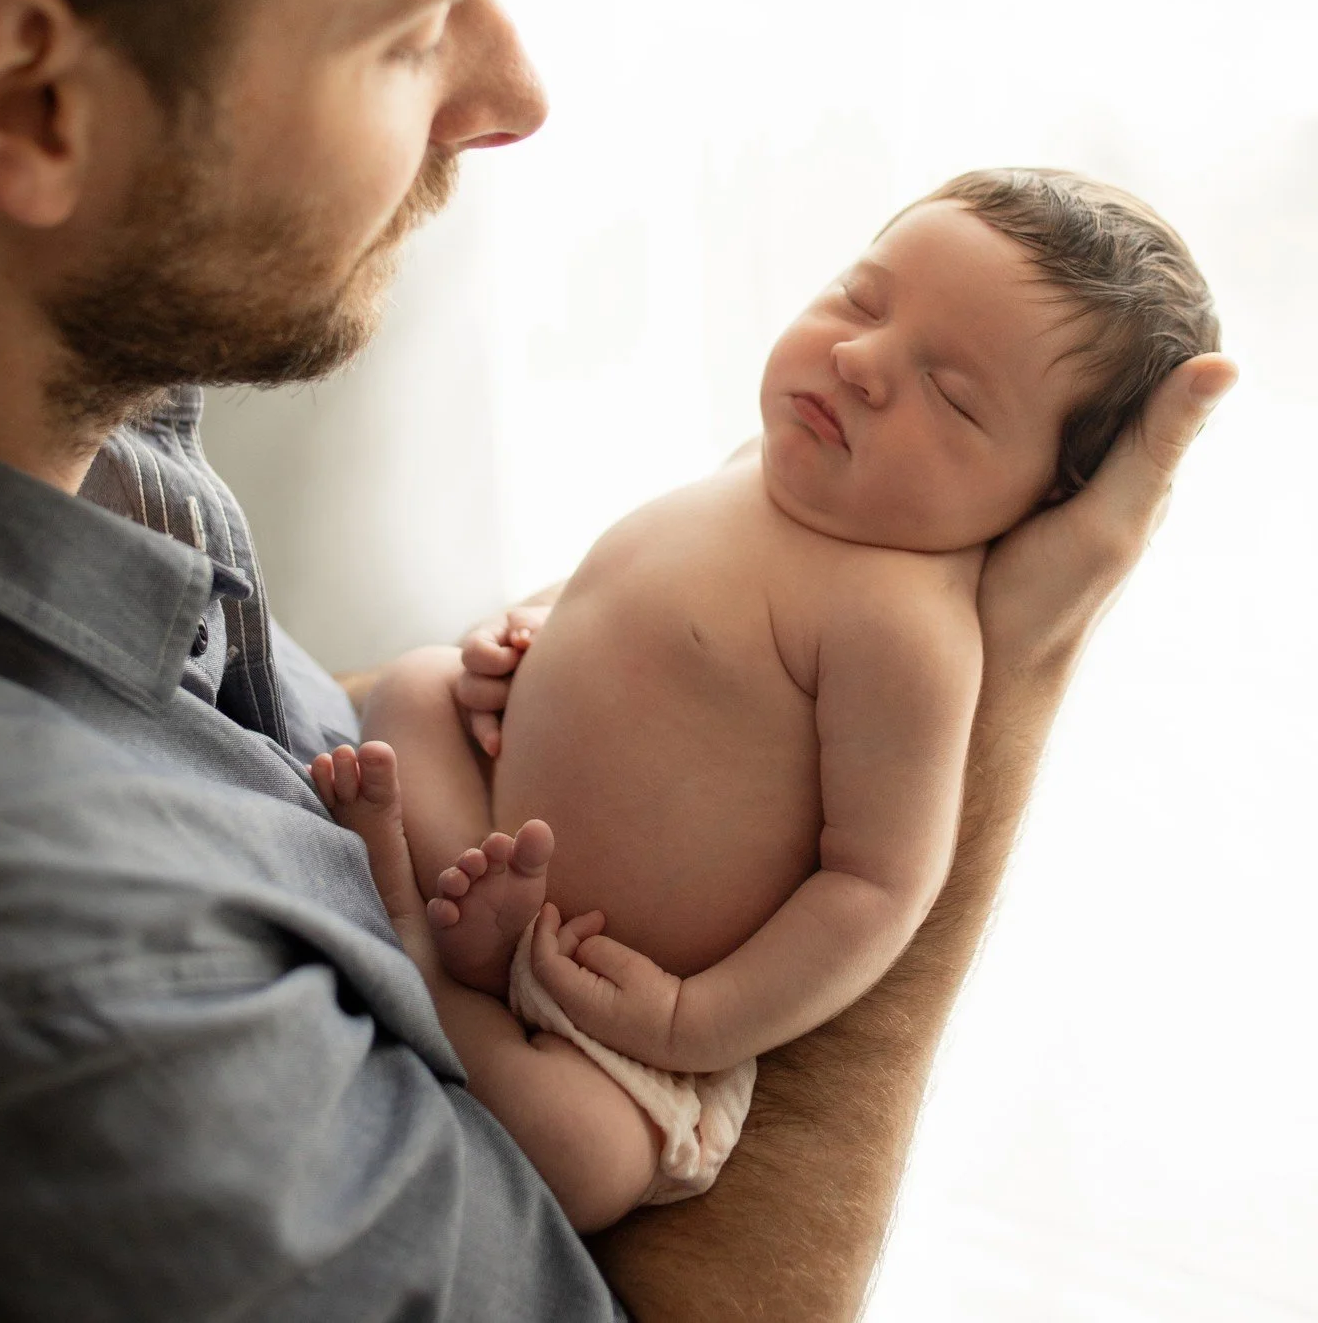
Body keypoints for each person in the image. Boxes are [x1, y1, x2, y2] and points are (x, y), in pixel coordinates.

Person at [0, 0, 1235, 1323]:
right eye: (410, 19)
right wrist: (993, 681)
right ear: (26, 101)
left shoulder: (52, 403)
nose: (512, 94)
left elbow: (179, 771)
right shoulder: (44, 990)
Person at [312, 169, 1220, 1224]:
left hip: (612, 1003)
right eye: (860, 296)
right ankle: (469, 926)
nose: (860, 359)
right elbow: (612, 592)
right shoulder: (759, 461)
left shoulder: (906, 627)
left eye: (953, 394)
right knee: (418, 683)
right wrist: (518, 638)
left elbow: (877, 884)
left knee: (596, 1161)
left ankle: (427, 959)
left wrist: (692, 1021)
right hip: (496, 825)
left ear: (1040, 499)